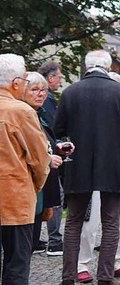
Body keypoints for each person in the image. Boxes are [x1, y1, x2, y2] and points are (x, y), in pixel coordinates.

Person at [54, 50, 120, 285]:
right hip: (112, 164)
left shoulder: (70, 92)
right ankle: (105, 277)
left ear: (87, 66)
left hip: (78, 163)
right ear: (108, 66)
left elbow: (58, 129)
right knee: (111, 221)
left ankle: (68, 276)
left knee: (73, 221)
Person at [75, 71, 120, 284]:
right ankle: (82, 264)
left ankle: (116, 262)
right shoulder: (91, 114)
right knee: (91, 221)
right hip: (95, 173)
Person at [0, 54, 50, 284]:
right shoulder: (21, 112)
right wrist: (35, 188)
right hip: (15, 201)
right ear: (16, 83)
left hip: (14, 199)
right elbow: (40, 162)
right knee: (16, 265)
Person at [21, 73, 65, 257]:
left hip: (41, 188)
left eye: (43, 90)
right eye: (34, 90)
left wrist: (57, 147)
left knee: (29, 244)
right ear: (22, 91)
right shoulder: (22, 115)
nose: (40, 94)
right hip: (25, 190)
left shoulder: (39, 114)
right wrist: (48, 158)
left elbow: (43, 142)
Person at [37, 60, 65, 256]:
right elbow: (50, 128)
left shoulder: (47, 100)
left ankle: (36, 239)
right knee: (54, 197)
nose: (60, 81)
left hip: (51, 152)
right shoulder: (44, 101)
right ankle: (54, 241)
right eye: (59, 77)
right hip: (48, 156)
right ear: (51, 78)